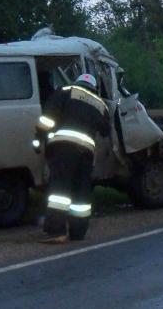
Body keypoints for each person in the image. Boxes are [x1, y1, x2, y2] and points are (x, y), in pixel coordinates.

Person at [39, 73, 110, 243]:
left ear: (77, 82)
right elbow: (106, 131)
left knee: (60, 191)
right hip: (86, 153)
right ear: (93, 87)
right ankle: (78, 233)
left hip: (63, 148)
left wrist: (39, 138)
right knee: (81, 193)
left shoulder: (65, 91)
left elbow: (47, 118)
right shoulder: (100, 104)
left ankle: (57, 232)